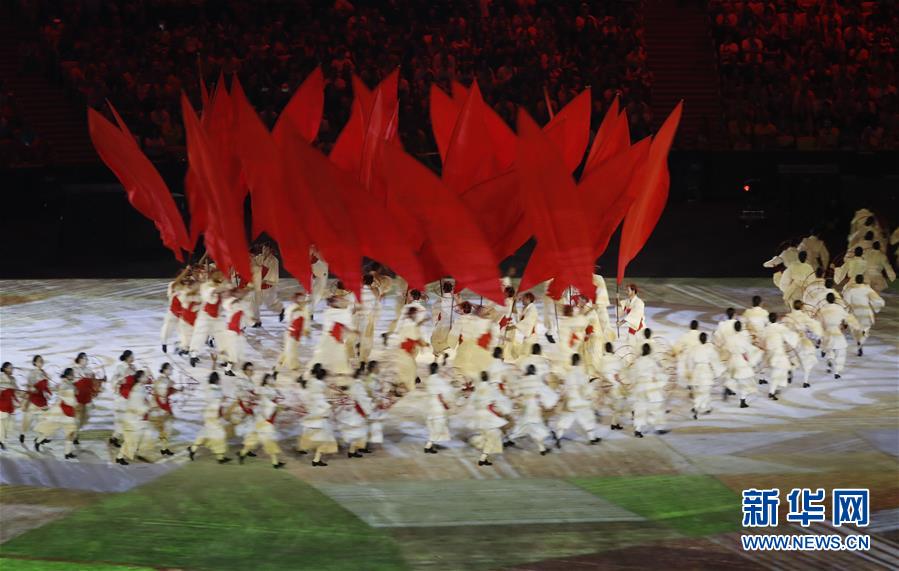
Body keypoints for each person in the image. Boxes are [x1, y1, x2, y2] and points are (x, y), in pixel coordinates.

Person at [508, 364, 559, 454]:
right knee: (536, 426)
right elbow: (545, 391)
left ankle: (542, 448)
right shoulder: (537, 380)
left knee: (528, 426)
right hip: (534, 407)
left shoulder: (522, 381)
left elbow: (516, 393)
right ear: (534, 371)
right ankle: (510, 438)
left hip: (525, 406)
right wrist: (552, 399)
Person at [239, 374, 285, 468]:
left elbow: (271, 401)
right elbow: (265, 402)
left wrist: (278, 405)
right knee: (268, 440)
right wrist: (276, 406)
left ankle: (242, 454)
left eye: (272, 378)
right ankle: (275, 463)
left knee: (254, 438)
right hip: (264, 417)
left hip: (265, 416)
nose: (271, 380)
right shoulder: (264, 389)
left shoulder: (271, 390)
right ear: (265, 380)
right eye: (269, 378)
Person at [554, 354, 602, 445]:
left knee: (565, 420)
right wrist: (592, 395)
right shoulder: (581, 373)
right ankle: (592, 438)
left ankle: (558, 438)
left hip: (571, 402)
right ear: (579, 361)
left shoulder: (568, 374)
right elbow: (585, 387)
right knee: (588, 419)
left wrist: (561, 397)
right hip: (581, 402)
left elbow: (565, 388)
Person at [296, 368, 338, 467]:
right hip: (320, 422)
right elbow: (323, 405)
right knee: (324, 440)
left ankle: (315, 459)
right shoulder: (319, 392)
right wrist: (331, 406)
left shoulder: (311, 390)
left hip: (312, 420)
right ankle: (316, 459)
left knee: (316, 439)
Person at [33, 368, 78, 459]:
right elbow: (66, 397)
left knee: (71, 432)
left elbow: (75, 393)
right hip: (61, 412)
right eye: (72, 374)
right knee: (49, 430)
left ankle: (67, 453)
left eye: (73, 374)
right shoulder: (64, 385)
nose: (73, 375)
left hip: (69, 413)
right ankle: (38, 441)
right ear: (68, 375)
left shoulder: (69, 385)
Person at [471, 370, 512, 466]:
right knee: (494, 435)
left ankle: (484, 457)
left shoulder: (476, 389)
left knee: (487, 436)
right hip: (488, 415)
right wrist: (504, 411)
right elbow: (498, 401)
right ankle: (482, 458)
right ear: (488, 378)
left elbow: (473, 402)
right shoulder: (491, 388)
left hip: (478, 415)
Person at [188, 372, 232, 464]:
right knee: (220, 434)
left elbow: (212, 400)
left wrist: (222, 399)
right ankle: (220, 457)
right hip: (213, 415)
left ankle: (193, 449)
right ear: (216, 380)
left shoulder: (208, 388)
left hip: (208, 414)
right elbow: (218, 402)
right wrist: (223, 400)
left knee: (205, 433)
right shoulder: (217, 389)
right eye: (219, 379)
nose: (220, 381)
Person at [628, 344, 669, 437]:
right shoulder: (652, 361)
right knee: (656, 407)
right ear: (650, 351)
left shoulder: (637, 361)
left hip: (640, 386)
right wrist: (661, 379)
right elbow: (658, 372)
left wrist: (633, 384)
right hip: (650, 386)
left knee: (640, 408)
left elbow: (633, 374)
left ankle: (638, 429)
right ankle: (658, 428)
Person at [309, 296, 356, 377]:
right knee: (325, 354)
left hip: (334, 335)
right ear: (333, 303)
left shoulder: (337, 311)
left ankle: (338, 369)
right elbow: (344, 319)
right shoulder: (331, 312)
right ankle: (336, 369)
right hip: (330, 336)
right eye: (338, 301)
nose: (341, 302)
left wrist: (349, 305)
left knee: (336, 353)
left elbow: (345, 317)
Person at [189, 272, 229, 367]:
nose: (220, 276)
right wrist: (223, 288)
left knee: (222, 337)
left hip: (217, 316)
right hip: (205, 315)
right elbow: (210, 296)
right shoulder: (205, 286)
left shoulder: (221, 284)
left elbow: (225, 298)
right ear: (212, 275)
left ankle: (225, 359)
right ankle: (193, 355)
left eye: (221, 275)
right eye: (218, 274)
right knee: (199, 334)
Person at [449, 302, 496, 382]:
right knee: (475, 366)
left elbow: (455, 332)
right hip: (478, 344)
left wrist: (451, 342)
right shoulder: (482, 320)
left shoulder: (462, 319)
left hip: (468, 344)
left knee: (463, 365)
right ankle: (471, 381)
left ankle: (467, 382)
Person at [818, 293, 860, 379]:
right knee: (840, 352)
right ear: (834, 300)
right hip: (837, 332)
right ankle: (837, 372)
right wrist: (857, 327)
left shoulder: (822, 309)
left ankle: (829, 364)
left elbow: (820, 323)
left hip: (827, 332)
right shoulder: (839, 309)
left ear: (826, 300)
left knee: (829, 349)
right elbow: (849, 318)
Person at [782, 300, 822, 388]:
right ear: (801, 307)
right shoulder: (804, 317)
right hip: (802, 341)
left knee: (793, 360)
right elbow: (815, 326)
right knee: (808, 360)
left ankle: (791, 370)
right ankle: (805, 382)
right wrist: (817, 336)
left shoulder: (787, 317)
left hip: (790, 342)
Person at [842, 274, 885, 356]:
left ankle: (859, 342)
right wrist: (877, 305)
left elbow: (846, 304)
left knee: (855, 330)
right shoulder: (867, 289)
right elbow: (877, 300)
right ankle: (863, 337)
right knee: (865, 328)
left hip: (855, 312)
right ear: (862, 280)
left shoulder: (850, 290)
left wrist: (845, 316)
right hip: (865, 312)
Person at [115, 370, 151, 465]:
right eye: (144, 376)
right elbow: (137, 405)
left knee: (135, 438)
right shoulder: (137, 389)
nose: (146, 377)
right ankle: (120, 457)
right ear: (139, 379)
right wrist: (147, 408)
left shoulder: (140, 388)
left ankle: (126, 454)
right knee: (131, 439)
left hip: (137, 417)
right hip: (134, 418)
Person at [684, 333, 724, 418]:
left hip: (696, 372)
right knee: (705, 391)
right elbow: (715, 361)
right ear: (706, 339)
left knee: (698, 391)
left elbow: (689, 361)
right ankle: (702, 407)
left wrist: (690, 372)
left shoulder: (694, 349)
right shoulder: (710, 349)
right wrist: (718, 372)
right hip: (706, 372)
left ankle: (700, 406)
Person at [723, 321, 761, 408]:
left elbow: (727, 349)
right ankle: (742, 401)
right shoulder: (743, 338)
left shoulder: (729, 338)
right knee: (745, 381)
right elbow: (747, 350)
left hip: (732, 360)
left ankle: (728, 387)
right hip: (740, 361)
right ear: (740, 328)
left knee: (733, 377)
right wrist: (751, 357)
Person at [335, 373, 373, 459]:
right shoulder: (355, 388)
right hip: (353, 415)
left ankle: (352, 451)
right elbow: (359, 402)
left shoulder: (344, 394)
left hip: (348, 415)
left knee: (356, 433)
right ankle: (352, 451)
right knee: (358, 433)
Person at [761, 313, 798, 400]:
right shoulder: (780, 327)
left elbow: (763, 340)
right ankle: (772, 392)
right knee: (779, 372)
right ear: (776, 319)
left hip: (770, 354)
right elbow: (790, 335)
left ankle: (776, 388)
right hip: (778, 354)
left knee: (781, 369)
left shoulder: (766, 329)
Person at [424, 362, 455, 454]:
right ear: (437, 369)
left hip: (430, 404)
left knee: (435, 426)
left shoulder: (428, 380)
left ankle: (432, 444)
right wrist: (447, 404)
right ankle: (428, 445)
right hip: (438, 405)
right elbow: (444, 393)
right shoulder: (439, 380)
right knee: (439, 426)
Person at [394, 306, 427, 392]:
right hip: (406, 351)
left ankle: (402, 386)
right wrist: (424, 345)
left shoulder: (406, 322)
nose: (416, 315)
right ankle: (408, 387)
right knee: (410, 369)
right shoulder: (410, 324)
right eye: (415, 314)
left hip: (402, 351)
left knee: (406, 370)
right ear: (412, 314)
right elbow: (415, 337)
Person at [72, 352, 103, 443]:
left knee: (86, 415)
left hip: (87, 397)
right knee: (77, 417)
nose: (86, 360)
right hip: (77, 397)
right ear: (80, 359)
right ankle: (75, 435)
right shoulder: (74, 370)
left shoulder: (89, 371)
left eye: (87, 359)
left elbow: (93, 383)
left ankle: (76, 432)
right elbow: (70, 382)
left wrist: (99, 382)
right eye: (85, 359)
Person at [250, 244, 283, 326]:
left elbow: (271, 274)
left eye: (267, 249)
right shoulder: (259, 257)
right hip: (259, 285)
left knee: (270, 305)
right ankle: (257, 321)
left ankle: (281, 310)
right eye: (264, 248)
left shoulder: (274, 261)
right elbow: (254, 266)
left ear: (270, 250)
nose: (264, 250)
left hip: (268, 286)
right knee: (254, 302)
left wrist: (261, 280)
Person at [21, 355, 52, 444]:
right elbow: (29, 385)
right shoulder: (32, 373)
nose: (41, 362)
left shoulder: (44, 373)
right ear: (34, 363)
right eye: (39, 360)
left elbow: (46, 386)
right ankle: (23, 433)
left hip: (43, 400)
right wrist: (32, 388)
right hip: (34, 399)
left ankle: (41, 437)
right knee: (28, 419)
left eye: (42, 360)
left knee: (44, 420)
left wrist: (48, 393)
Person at [109, 350, 136, 447]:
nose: (133, 358)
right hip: (121, 399)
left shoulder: (133, 367)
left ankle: (114, 438)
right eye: (132, 356)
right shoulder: (120, 367)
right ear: (127, 357)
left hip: (130, 398)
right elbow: (113, 381)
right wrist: (120, 381)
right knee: (122, 420)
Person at [221, 288, 252, 375]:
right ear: (235, 293)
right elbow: (228, 305)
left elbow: (246, 316)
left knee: (237, 351)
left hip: (237, 331)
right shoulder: (230, 302)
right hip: (231, 331)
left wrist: (252, 321)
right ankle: (227, 369)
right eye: (239, 292)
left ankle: (228, 363)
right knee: (233, 351)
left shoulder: (241, 304)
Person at [149, 363, 177, 456]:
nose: (171, 370)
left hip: (163, 407)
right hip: (160, 408)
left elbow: (168, 391)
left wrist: (178, 390)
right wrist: (169, 385)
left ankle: (164, 448)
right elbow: (162, 394)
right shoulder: (161, 380)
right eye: (169, 369)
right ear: (164, 370)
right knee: (164, 429)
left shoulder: (166, 380)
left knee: (165, 430)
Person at [278, 293, 311, 372]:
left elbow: (307, 320)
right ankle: (292, 364)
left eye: (303, 298)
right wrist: (294, 311)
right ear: (296, 299)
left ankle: (282, 359)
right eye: (300, 298)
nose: (302, 300)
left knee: (292, 347)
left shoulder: (305, 309)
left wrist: (306, 330)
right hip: (291, 331)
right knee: (291, 348)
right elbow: (288, 319)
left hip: (299, 331)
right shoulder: (291, 308)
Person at [430, 281, 458, 359]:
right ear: (451, 289)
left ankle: (437, 357)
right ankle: (440, 354)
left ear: (443, 288)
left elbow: (434, 308)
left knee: (435, 339)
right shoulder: (454, 300)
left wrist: (436, 318)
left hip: (442, 322)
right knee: (442, 340)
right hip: (450, 323)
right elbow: (456, 309)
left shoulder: (441, 299)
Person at [161, 275, 186, 353]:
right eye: (184, 276)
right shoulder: (172, 285)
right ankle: (164, 343)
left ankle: (184, 348)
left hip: (181, 315)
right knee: (167, 330)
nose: (185, 278)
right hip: (172, 313)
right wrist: (186, 270)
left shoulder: (186, 286)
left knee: (183, 333)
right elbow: (175, 284)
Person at [0, 362, 20, 450]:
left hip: (10, 405)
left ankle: (2, 440)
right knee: (1, 425)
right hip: (2, 404)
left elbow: (16, 391)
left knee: (9, 425)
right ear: (4, 368)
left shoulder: (13, 379)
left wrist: (18, 399)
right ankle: (2, 442)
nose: (12, 369)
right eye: (9, 368)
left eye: (12, 368)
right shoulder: (0, 378)